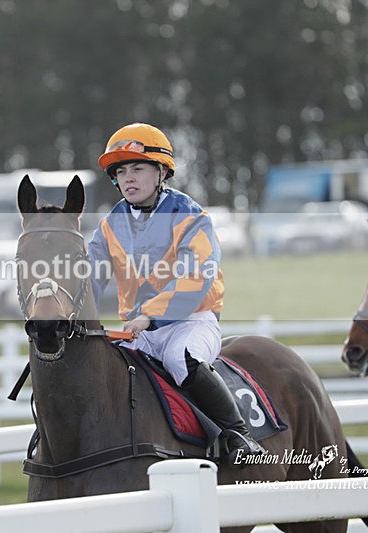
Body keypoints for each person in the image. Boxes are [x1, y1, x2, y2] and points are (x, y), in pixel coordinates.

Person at [88, 122, 265, 465]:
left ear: (161, 172)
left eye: (137, 169)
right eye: (121, 172)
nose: (128, 178)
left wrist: (150, 315)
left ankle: (237, 434)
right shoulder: (109, 224)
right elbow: (90, 277)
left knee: (179, 359)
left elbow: (195, 275)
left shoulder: (190, 215)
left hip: (191, 322)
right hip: (138, 331)